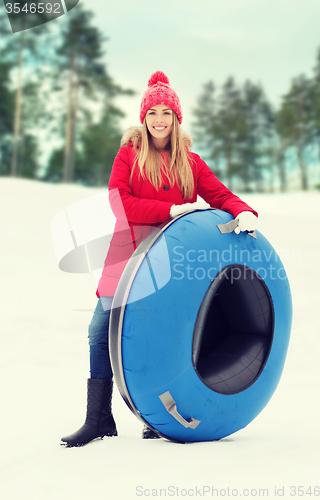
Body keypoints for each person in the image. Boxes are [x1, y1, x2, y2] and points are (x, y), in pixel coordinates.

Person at [61, 71, 258, 448]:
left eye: (167, 112)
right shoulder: (129, 155)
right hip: (127, 259)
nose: (160, 120)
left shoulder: (192, 163)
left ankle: (156, 416)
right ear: (144, 118)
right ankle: (99, 418)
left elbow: (220, 195)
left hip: (171, 265)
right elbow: (119, 201)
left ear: (177, 118)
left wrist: (243, 211)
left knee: (159, 336)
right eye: (153, 112)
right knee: (99, 333)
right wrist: (169, 209)